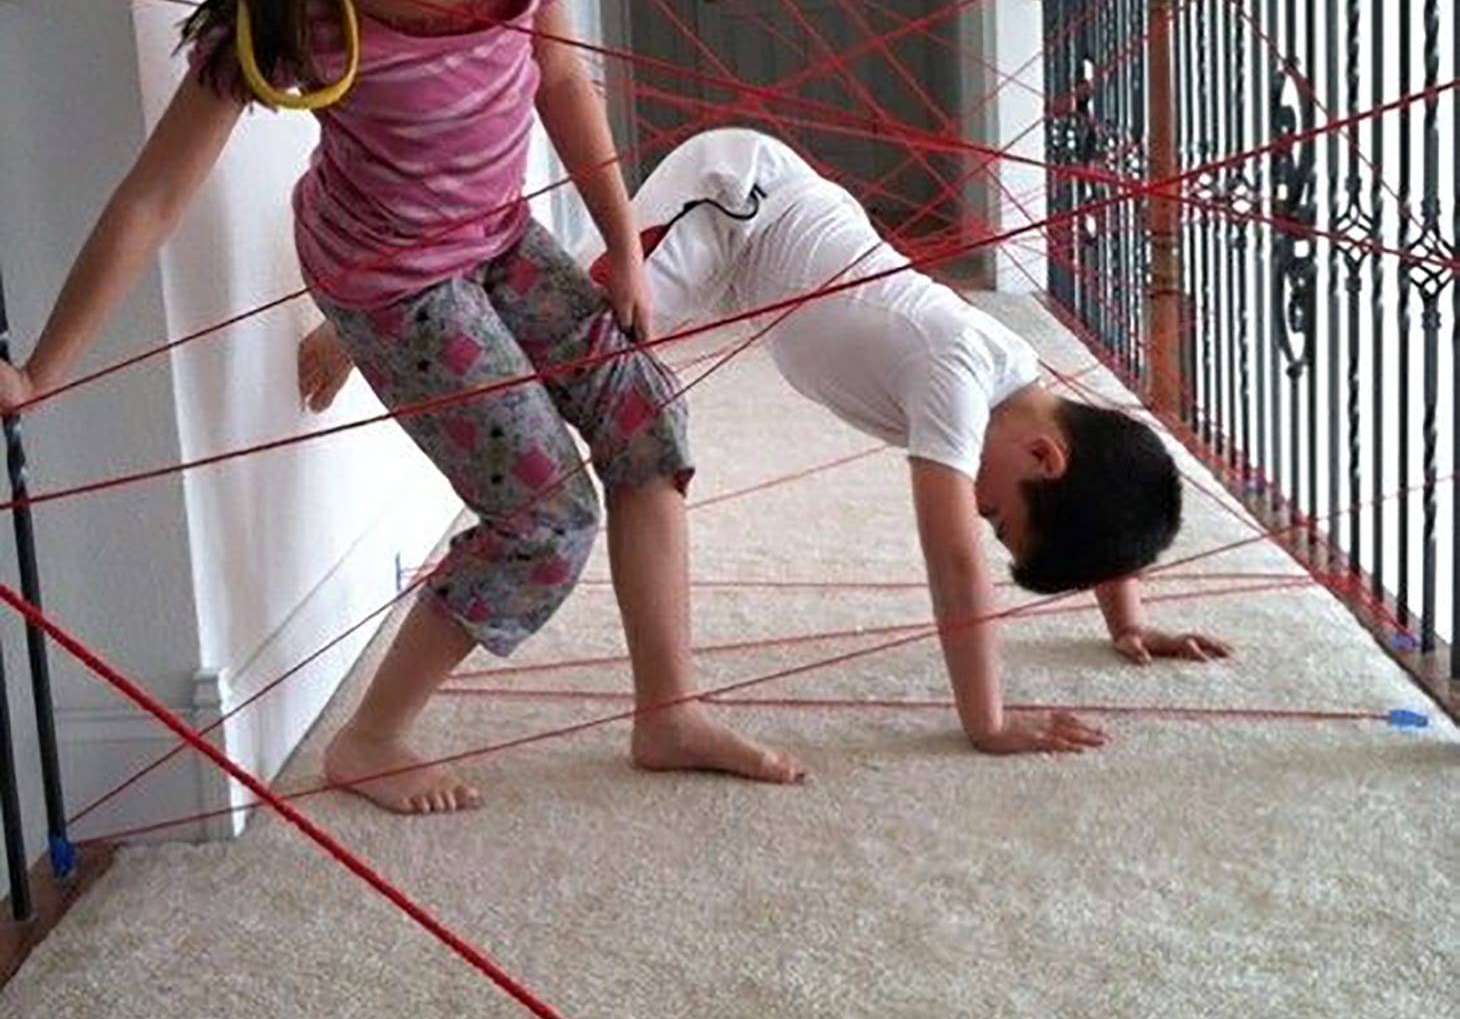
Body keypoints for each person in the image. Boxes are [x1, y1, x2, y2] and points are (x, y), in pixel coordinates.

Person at [0, 0, 803, 815]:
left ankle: (667, 709)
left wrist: (620, 240)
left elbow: (561, 83)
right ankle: (370, 737)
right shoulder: (297, 1)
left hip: (499, 233)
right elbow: (153, 194)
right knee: (544, 516)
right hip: (391, 277)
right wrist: (43, 368)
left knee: (648, 421)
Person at [303, 125, 1233, 755]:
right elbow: (953, 562)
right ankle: (375, 308)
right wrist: (985, 723)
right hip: (742, 200)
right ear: (1041, 457)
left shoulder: (1027, 412)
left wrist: (1130, 616)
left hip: (762, 254)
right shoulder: (958, 374)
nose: (979, 516)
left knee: (604, 364)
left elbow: (1108, 483)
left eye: (991, 522)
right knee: (585, 327)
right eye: (1000, 515)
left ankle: (410, 294)